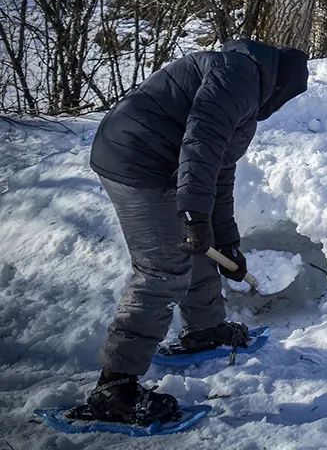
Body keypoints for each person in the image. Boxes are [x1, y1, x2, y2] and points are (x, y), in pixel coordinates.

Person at [83, 39, 309, 425]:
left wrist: (227, 244)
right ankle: (113, 388)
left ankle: (205, 329)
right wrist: (193, 213)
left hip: (163, 160)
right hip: (134, 159)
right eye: (287, 99)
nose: (283, 107)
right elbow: (201, 144)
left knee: (197, 244)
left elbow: (219, 174)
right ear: (280, 86)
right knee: (162, 268)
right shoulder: (237, 76)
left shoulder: (245, 86)